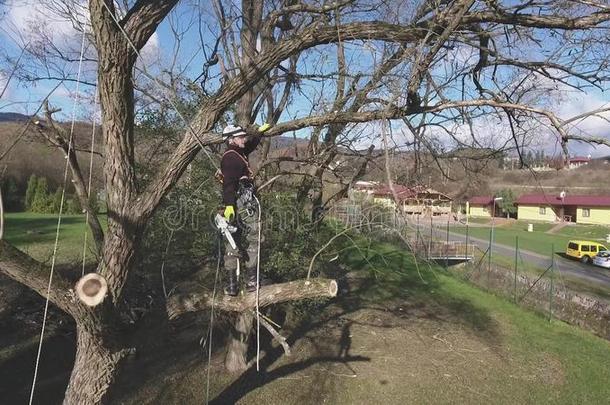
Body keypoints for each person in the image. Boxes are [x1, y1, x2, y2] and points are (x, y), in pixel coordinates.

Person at [220, 123, 270, 296]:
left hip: (239, 203)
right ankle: (250, 281)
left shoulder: (238, 152)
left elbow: (249, 145)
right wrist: (228, 206)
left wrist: (258, 134)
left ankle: (234, 285)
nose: (244, 139)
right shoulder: (231, 158)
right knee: (253, 238)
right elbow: (228, 185)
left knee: (233, 241)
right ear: (232, 140)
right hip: (240, 204)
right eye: (241, 137)